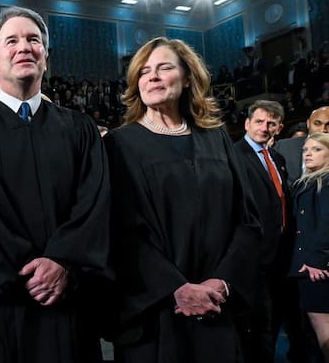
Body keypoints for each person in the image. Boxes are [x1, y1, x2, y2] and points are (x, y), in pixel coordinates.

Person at [0, 6, 110, 362]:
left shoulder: (79, 128)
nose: (24, 47)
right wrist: (30, 270)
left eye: (33, 40)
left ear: (45, 58)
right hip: (2, 303)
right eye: (12, 41)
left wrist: (63, 264)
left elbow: (93, 205)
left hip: (67, 295)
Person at [103, 37, 261, 362]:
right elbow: (118, 232)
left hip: (218, 308)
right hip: (154, 313)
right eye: (144, 71)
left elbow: (248, 220)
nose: (153, 77)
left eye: (164, 68)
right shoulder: (119, 145)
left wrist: (223, 281)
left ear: (188, 77)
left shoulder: (216, 139)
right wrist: (176, 287)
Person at [234, 100, 305, 362]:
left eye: (271, 123)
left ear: (279, 127)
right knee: (258, 326)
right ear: (247, 123)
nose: (264, 127)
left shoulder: (276, 157)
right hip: (255, 256)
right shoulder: (234, 156)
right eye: (260, 121)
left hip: (283, 255)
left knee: (284, 318)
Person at [290, 132, 329, 363]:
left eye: (316, 149)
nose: (308, 154)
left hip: (317, 269)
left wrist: (317, 260)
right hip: (315, 265)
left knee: (323, 326)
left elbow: (327, 223)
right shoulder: (311, 181)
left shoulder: (325, 182)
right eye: (305, 150)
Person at [274, 106, 329, 189]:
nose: (323, 130)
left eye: (328, 125)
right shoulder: (283, 146)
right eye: (317, 123)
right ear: (308, 123)